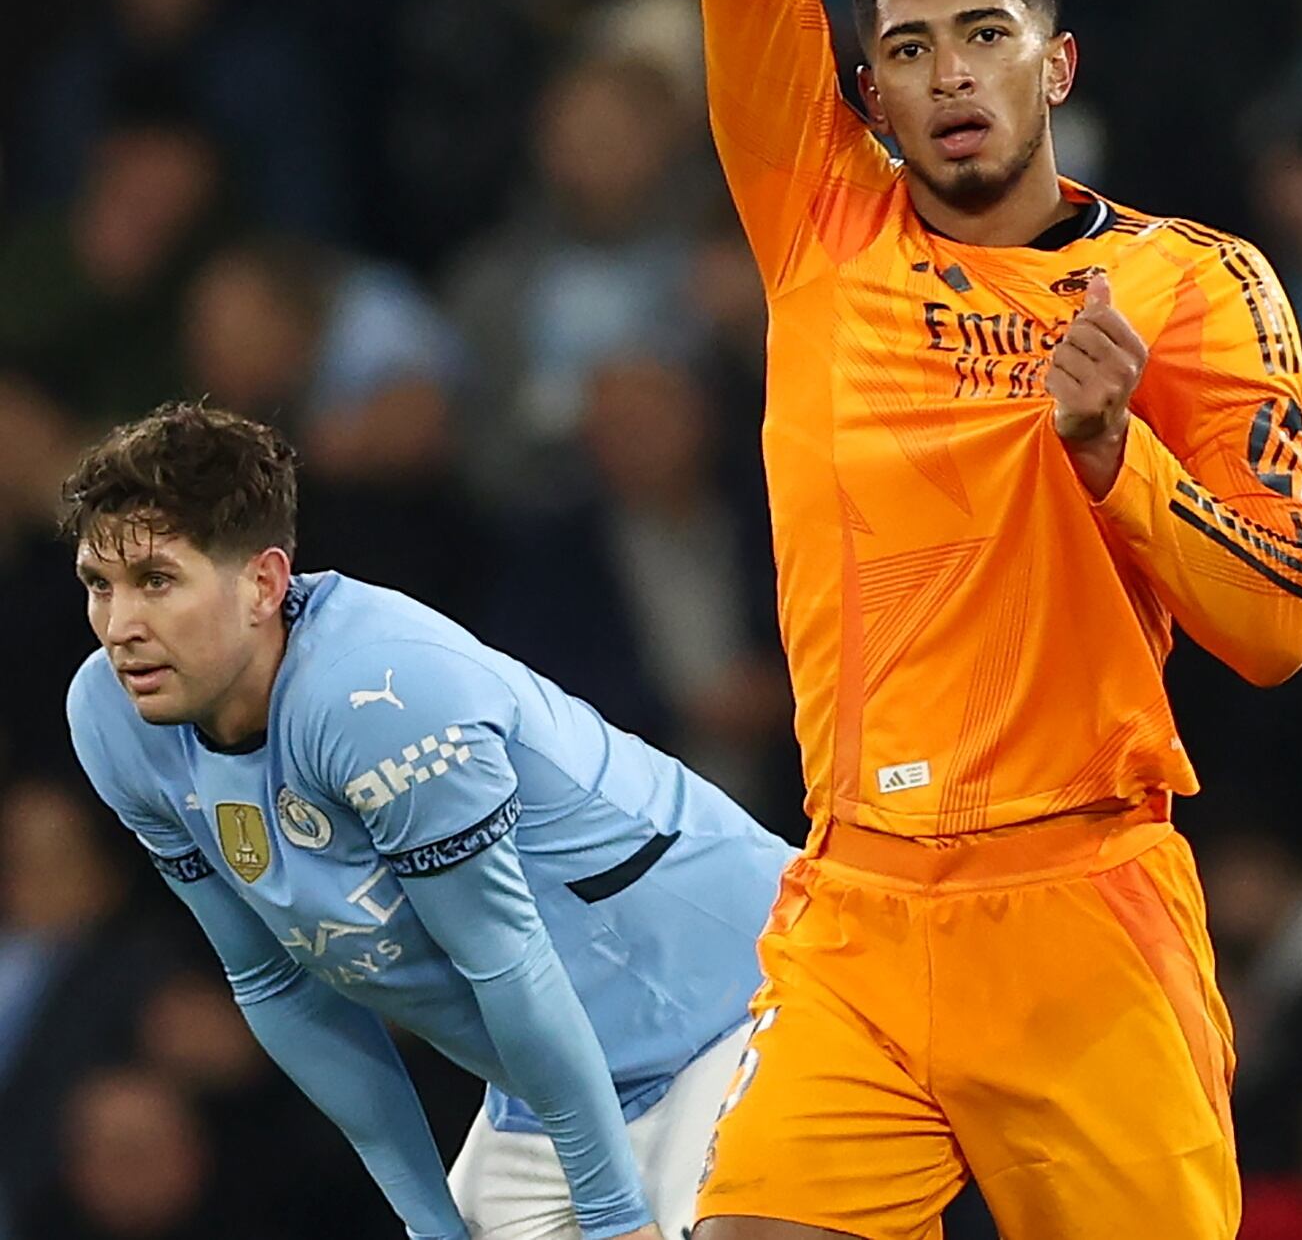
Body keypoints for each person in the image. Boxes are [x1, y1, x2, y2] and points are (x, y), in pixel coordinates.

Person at [688, 0, 1302, 1240]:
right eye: (909, 50)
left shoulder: (1192, 284)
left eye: (987, 35)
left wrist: (1122, 457)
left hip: (1083, 902)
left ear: (1056, 67)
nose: (950, 70)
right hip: (855, 908)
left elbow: (1281, 626)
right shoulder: (821, 226)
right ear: (870, 94)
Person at [60, 403, 795, 1240]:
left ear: (263, 583)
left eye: (156, 580)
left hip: (741, 994)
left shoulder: (378, 693)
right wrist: (428, 1221)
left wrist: (612, 1216)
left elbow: (505, 958)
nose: (120, 627)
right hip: (551, 1083)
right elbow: (277, 984)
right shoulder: (113, 720)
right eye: (99, 584)